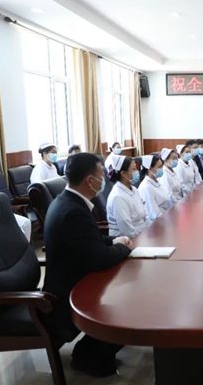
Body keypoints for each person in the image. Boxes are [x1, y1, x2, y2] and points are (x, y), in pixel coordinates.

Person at [42, 153, 132, 378]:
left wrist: (114, 240)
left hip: (74, 278)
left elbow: (89, 242)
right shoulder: (73, 211)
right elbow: (99, 259)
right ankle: (88, 356)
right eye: (102, 175)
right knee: (126, 301)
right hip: (68, 293)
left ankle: (92, 351)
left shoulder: (69, 202)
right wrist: (124, 248)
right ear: (90, 181)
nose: (105, 180)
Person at [106, 155, 150, 238]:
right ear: (123, 173)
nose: (137, 172)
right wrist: (143, 239)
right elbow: (127, 229)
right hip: (127, 239)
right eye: (134, 169)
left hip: (142, 232)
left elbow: (145, 214)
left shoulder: (134, 189)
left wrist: (149, 230)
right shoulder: (117, 196)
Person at [138, 155, 169, 221]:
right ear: (150, 169)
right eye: (159, 167)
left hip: (165, 216)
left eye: (162, 166)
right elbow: (153, 214)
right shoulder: (146, 188)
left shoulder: (157, 181)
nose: (162, 168)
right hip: (157, 222)